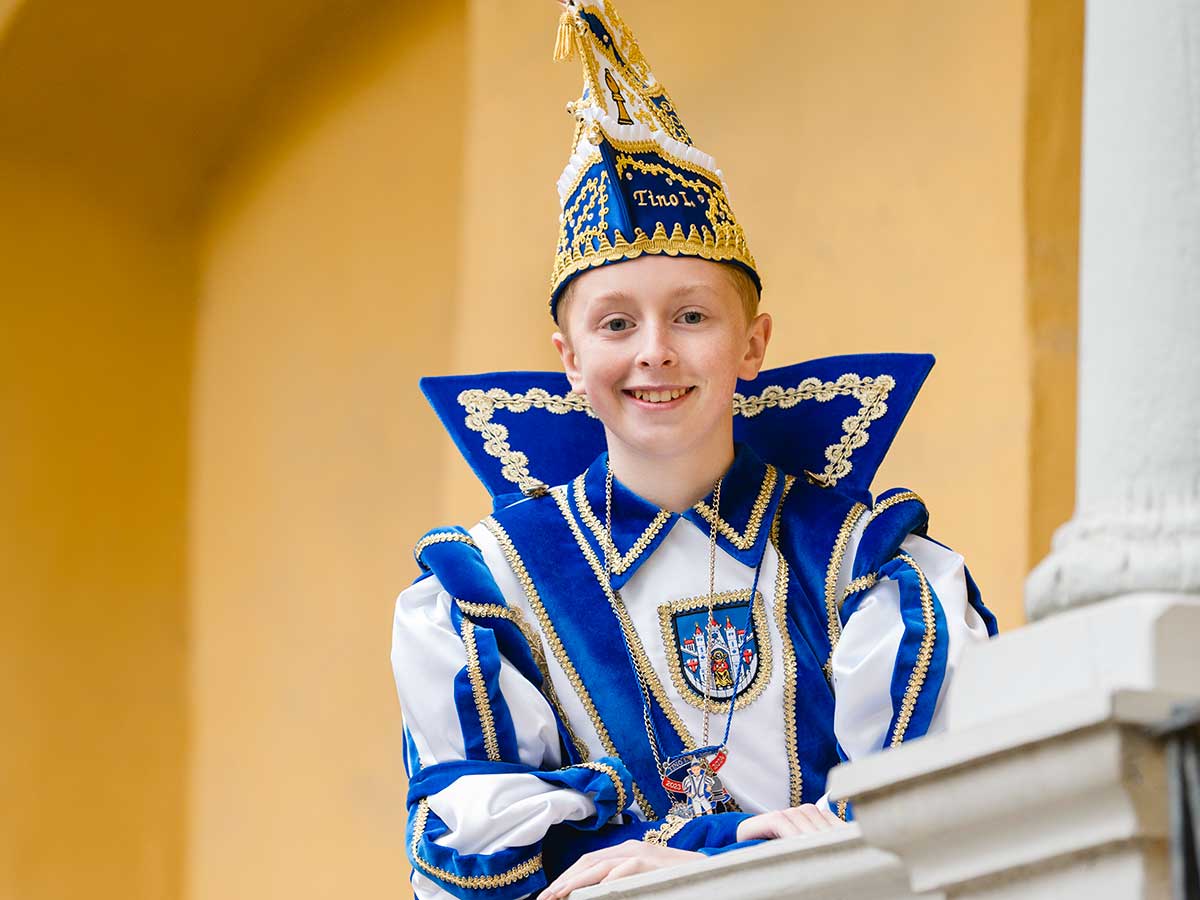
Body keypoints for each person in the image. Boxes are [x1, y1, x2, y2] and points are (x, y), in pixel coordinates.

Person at [392, 2, 997, 898]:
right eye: (615, 323)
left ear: (751, 346)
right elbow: (466, 858)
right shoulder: (486, 592)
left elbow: (945, 808)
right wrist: (744, 835)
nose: (654, 353)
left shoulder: (867, 567)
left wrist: (695, 854)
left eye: (692, 316)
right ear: (568, 361)